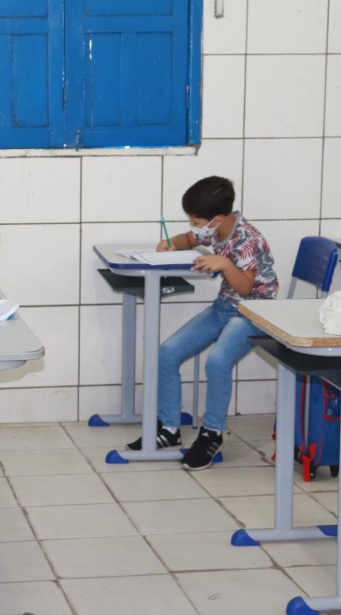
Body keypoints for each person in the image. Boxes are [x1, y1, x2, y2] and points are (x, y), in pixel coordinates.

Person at [126, 176, 278, 470]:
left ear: (217, 219)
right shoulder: (215, 229)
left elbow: (246, 289)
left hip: (254, 311)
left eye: (197, 221)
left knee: (218, 361)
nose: (194, 226)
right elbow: (190, 239)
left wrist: (225, 265)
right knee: (167, 352)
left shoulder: (248, 238)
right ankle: (169, 429)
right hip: (225, 307)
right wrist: (170, 243)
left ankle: (212, 433)